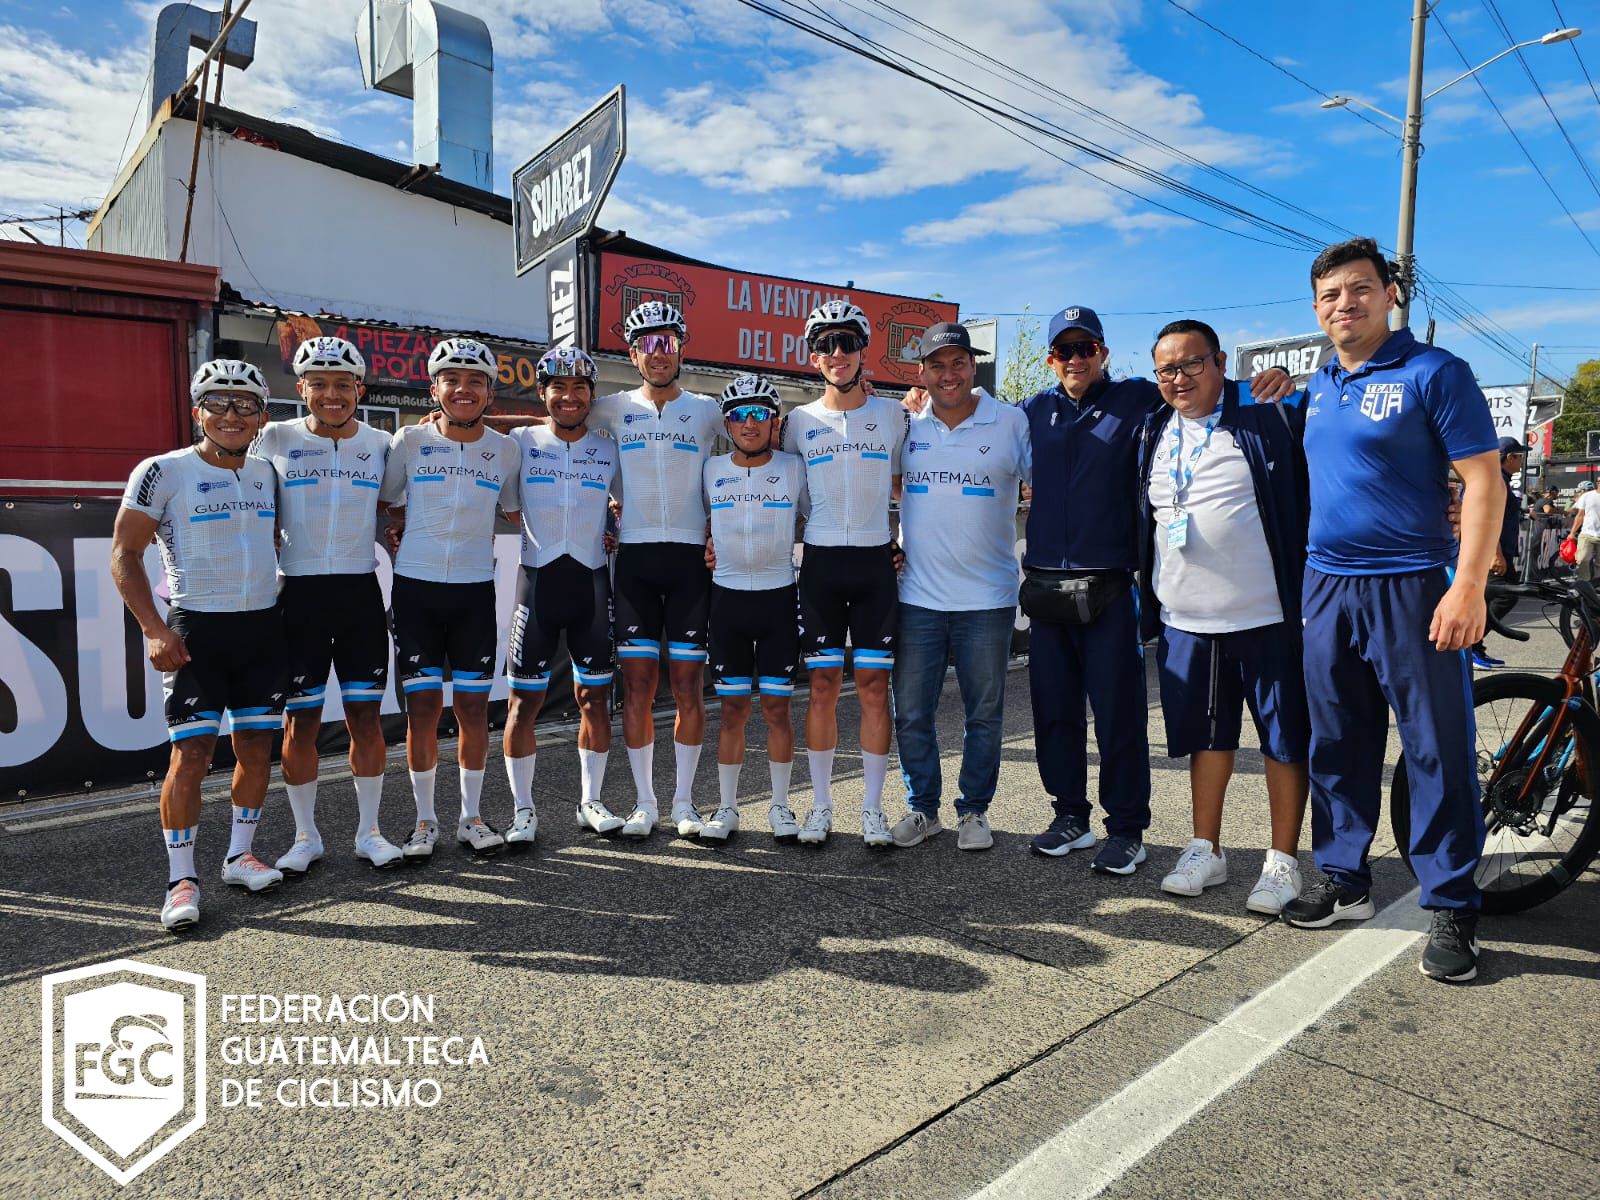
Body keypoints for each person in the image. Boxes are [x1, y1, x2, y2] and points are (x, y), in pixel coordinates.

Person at [1282, 237, 1502, 985]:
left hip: (1412, 585)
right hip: (1326, 585)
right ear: (1316, 311)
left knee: (1435, 746)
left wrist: (1467, 584)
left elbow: (1484, 482)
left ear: (1388, 294)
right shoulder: (1316, 386)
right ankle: (1344, 876)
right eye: (1331, 296)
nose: (1346, 304)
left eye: (1359, 289)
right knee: (1337, 740)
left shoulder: (1435, 372)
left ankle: (1450, 902)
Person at [1019, 307, 1294, 875]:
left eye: (1085, 348)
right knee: (1053, 712)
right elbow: (970, 423)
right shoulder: (1029, 413)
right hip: (1047, 589)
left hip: (1111, 589)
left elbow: (1204, 390)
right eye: (1063, 351)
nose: (1074, 359)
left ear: (1103, 352)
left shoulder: (1139, 401)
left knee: (1119, 715)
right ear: (1050, 359)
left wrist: (1267, 383)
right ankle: (1069, 813)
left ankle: (1126, 829)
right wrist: (918, 406)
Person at [1136, 320, 1311, 914]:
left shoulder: (1267, 418)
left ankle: (1283, 862)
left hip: (1265, 615)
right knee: (1207, 740)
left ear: (1219, 364)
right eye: (1167, 370)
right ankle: (1205, 848)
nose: (1179, 379)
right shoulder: (1153, 432)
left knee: (1282, 740)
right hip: (1187, 619)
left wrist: (1286, 386)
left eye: (1192, 365)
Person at [111, 359, 287, 930]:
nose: (231, 414)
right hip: (196, 628)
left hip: (261, 628)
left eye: (244, 404)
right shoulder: (162, 470)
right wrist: (155, 629)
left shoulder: (267, 473)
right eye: (218, 402)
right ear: (197, 411)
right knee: (191, 755)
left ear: (262, 415)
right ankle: (181, 880)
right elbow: (124, 555)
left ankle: (240, 856)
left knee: (258, 750)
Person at [257, 336, 403, 874]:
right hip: (298, 597)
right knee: (302, 722)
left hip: (359, 593)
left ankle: (369, 831)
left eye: (343, 384)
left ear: (359, 389)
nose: (332, 394)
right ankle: (305, 837)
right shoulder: (272, 437)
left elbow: (395, 508)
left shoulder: (383, 444)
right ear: (301, 389)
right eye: (319, 384)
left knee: (366, 717)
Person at [888, 323, 1030, 853]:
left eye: (958, 363)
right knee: (913, 713)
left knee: (983, 713)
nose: (948, 374)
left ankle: (974, 810)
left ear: (973, 366)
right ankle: (923, 810)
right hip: (917, 597)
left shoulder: (1011, 421)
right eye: (936, 365)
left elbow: (1050, 478)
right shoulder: (904, 424)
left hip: (988, 599)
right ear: (921, 373)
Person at [380, 337, 521, 861]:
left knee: (472, 709)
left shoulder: (505, 449)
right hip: (416, 588)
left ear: (489, 392)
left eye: (476, 381)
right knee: (420, 709)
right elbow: (387, 503)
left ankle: (471, 817)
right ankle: (423, 822)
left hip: (473, 591)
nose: (464, 389)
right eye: (453, 380)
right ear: (434, 388)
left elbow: (514, 510)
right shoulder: (408, 443)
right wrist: (403, 530)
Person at [588, 301, 724, 840]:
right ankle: (645, 802)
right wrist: (448, 420)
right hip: (637, 560)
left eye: (667, 341)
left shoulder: (709, 409)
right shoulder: (612, 407)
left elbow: (772, 440)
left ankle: (685, 802)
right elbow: (555, 419)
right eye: (647, 343)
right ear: (632, 353)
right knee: (639, 687)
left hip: (691, 559)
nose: (658, 352)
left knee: (689, 688)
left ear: (682, 346)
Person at [782, 300, 908, 847]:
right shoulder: (797, 423)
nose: (837, 353)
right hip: (822, 563)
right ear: (814, 358)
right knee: (823, 687)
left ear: (864, 351)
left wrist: (902, 543)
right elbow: (781, 495)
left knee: (875, 687)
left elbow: (913, 485)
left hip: (876, 562)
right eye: (826, 345)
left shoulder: (897, 417)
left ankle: (874, 810)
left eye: (847, 342)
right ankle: (822, 806)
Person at [502, 347, 622, 844]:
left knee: (594, 699)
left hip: (591, 584)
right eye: (559, 387)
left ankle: (590, 800)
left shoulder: (608, 448)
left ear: (591, 396)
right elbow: (509, 508)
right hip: (538, 583)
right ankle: (523, 810)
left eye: (579, 389)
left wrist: (607, 527)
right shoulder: (519, 442)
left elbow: (622, 504)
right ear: (543, 392)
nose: (569, 397)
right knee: (521, 705)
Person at [701, 374, 807, 842]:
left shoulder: (794, 468)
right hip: (727, 601)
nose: (749, 423)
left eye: (759, 413)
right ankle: (727, 807)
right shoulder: (710, 470)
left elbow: (820, 513)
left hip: (778, 596)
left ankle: (781, 807)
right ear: (727, 423)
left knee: (778, 710)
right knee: (732, 711)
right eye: (740, 414)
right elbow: (700, 522)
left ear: (774, 420)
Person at [1472, 436, 1527, 668]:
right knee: (1504, 595)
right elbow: (1486, 518)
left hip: (1501, 550)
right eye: (1520, 456)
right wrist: (1495, 553)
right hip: (1494, 552)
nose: (1523, 461)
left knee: (1491, 598)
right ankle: (1469, 646)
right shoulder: (1497, 481)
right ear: (1509, 457)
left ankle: (1474, 647)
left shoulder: (1502, 480)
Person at [1568, 479, 1600, 581]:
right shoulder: (1587, 496)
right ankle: (1584, 586)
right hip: (1587, 534)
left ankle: (1597, 587)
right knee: (1581, 560)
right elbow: (1580, 515)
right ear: (1598, 483)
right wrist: (1572, 533)